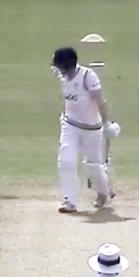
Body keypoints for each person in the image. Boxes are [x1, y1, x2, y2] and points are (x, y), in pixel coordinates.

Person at [51, 47, 120, 213]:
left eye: (60, 66)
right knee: (65, 161)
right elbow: (67, 99)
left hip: (92, 128)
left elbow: (99, 102)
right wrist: (64, 115)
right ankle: (69, 201)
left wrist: (107, 124)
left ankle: (103, 192)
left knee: (93, 166)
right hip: (70, 125)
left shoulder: (88, 77)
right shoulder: (63, 77)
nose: (58, 70)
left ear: (67, 65)